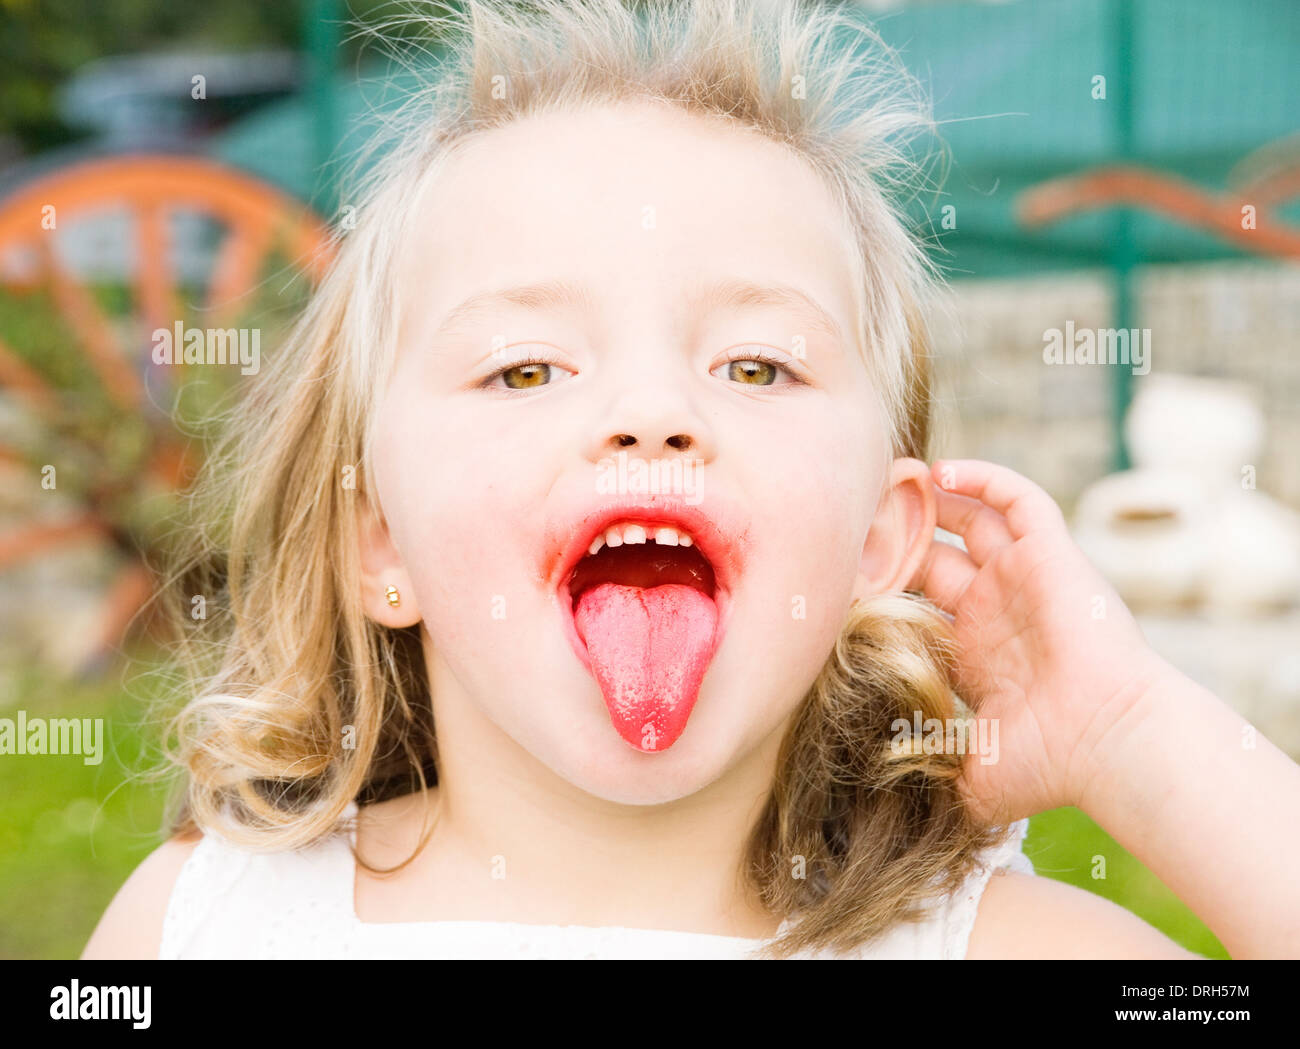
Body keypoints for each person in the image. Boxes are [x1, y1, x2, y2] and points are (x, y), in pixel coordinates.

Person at [83, 0, 1299, 959]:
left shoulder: (985, 946)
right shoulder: (207, 925)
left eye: (756, 364)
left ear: (878, 542)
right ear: (380, 542)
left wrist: (1134, 737)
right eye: (523, 368)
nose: (652, 413)